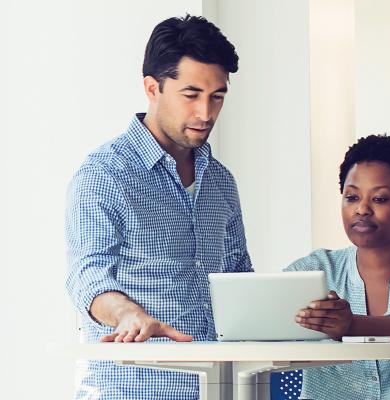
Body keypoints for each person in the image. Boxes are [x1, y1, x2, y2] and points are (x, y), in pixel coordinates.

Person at [65, 15, 252, 400]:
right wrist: (127, 314)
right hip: (133, 389)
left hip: (219, 388)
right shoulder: (105, 174)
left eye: (217, 96)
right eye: (191, 94)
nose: (206, 112)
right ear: (153, 87)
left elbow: (239, 280)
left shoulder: (220, 181)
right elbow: (89, 276)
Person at [286, 135, 390, 399]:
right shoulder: (314, 270)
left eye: (379, 199)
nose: (362, 209)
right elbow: (261, 320)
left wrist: (349, 326)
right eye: (352, 197)